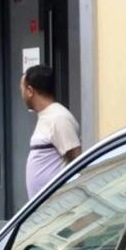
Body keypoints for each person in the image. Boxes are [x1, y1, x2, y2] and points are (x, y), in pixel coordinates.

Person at [21, 64, 82, 199]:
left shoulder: (59, 118)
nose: (22, 95)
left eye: (22, 89)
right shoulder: (46, 116)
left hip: (58, 209)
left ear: (30, 91)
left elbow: (77, 161)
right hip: (44, 209)